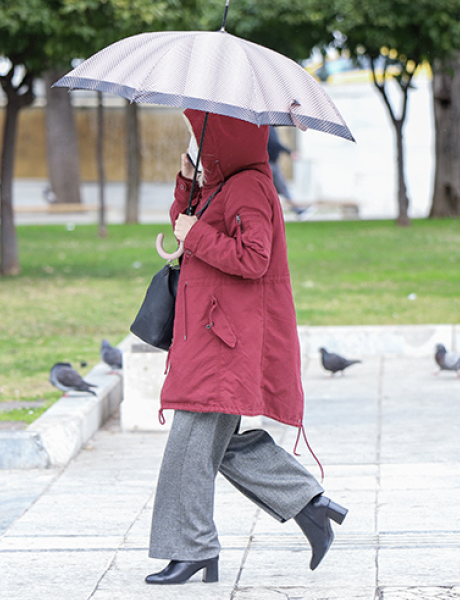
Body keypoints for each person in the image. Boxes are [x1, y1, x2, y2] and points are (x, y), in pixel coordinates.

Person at [145, 108, 346, 585]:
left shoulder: (250, 185)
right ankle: (310, 505)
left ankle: (192, 549)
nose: (198, 140)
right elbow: (185, 227)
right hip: (210, 331)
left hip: (224, 339)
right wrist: (186, 181)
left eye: (202, 133)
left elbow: (253, 258)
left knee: (190, 444)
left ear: (228, 135)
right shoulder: (223, 182)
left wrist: (198, 234)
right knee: (220, 445)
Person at [267, 128, 311, 218]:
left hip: (273, 163)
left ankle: (297, 209)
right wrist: (289, 152)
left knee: (282, 188)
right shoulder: (269, 128)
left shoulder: (270, 128)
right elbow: (275, 143)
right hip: (270, 164)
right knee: (273, 189)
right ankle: (295, 209)